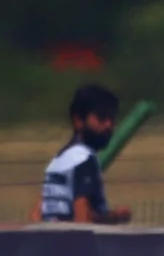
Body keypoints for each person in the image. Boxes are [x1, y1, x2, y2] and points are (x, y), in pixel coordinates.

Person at [40, 83, 131, 224]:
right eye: (101, 117)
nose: (108, 125)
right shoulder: (83, 160)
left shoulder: (57, 161)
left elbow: (38, 214)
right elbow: (82, 222)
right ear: (78, 121)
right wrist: (116, 217)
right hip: (73, 245)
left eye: (112, 119)